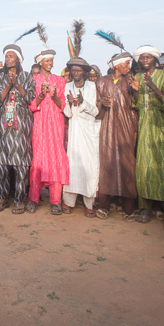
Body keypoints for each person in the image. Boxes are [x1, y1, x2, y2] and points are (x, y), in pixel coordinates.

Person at [131, 46, 164, 229]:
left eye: (148, 57)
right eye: (142, 58)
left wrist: (153, 87)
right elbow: (136, 104)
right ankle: (145, 208)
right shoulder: (138, 77)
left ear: (155, 59)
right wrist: (135, 89)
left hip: (163, 126)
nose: (145, 60)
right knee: (144, 166)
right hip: (145, 126)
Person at [95, 52, 138, 221]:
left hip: (127, 127)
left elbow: (137, 104)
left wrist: (136, 91)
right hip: (106, 128)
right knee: (107, 165)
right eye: (126, 64)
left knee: (128, 166)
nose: (129, 67)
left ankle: (128, 209)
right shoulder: (101, 82)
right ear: (116, 65)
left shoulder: (131, 80)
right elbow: (95, 109)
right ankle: (104, 206)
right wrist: (102, 104)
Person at [0, 44, 35, 214]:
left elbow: (30, 98)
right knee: (3, 163)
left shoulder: (26, 76)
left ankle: (19, 199)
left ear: (18, 59)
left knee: (21, 163)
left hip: (21, 123)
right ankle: (3, 197)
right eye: (6, 56)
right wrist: (8, 85)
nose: (8, 59)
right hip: (4, 124)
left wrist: (17, 84)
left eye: (11, 56)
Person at [27, 43, 68, 215]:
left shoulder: (60, 80)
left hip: (56, 125)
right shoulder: (33, 81)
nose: (50, 63)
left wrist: (53, 96)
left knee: (56, 159)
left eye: (52, 60)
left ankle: (55, 201)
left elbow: (63, 105)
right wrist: (42, 95)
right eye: (47, 60)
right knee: (38, 160)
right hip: (39, 125)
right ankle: (33, 199)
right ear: (40, 62)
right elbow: (31, 106)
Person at [62, 57, 99, 216]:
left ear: (84, 72)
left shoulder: (92, 86)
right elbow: (67, 113)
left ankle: (89, 202)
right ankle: (68, 201)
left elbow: (95, 111)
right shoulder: (67, 86)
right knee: (73, 163)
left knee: (89, 164)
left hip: (89, 130)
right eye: (73, 71)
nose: (75, 73)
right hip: (75, 129)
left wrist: (83, 103)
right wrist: (70, 103)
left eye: (78, 71)